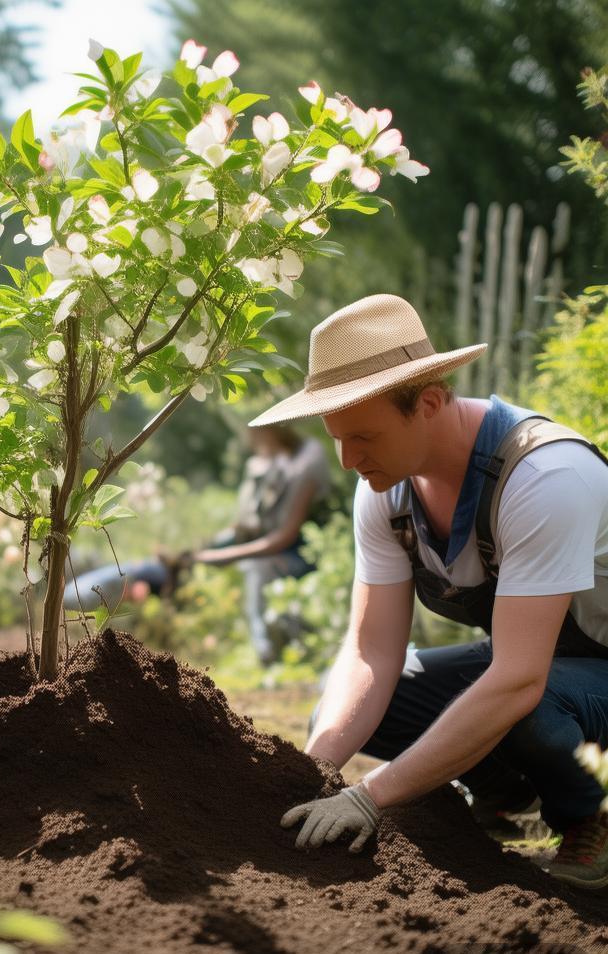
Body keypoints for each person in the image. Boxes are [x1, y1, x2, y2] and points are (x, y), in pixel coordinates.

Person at [250, 294, 608, 892]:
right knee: (355, 707)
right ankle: (503, 797)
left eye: (363, 436)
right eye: (336, 437)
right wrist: (314, 770)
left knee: (530, 708)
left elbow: (519, 678)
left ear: (431, 403)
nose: (347, 460)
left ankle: (589, 817)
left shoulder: (546, 478)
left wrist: (370, 796)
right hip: (545, 666)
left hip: (581, 674)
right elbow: (370, 652)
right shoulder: (386, 493)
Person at [193, 424, 331, 664]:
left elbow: (284, 537)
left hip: (301, 552)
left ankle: (265, 651)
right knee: (206, 550)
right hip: (270, 544)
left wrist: (229, 555)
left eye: (257, 436)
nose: (253, 442)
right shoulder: (270, 463)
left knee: (256, 570)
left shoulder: (307, 461)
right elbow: (250, 520)